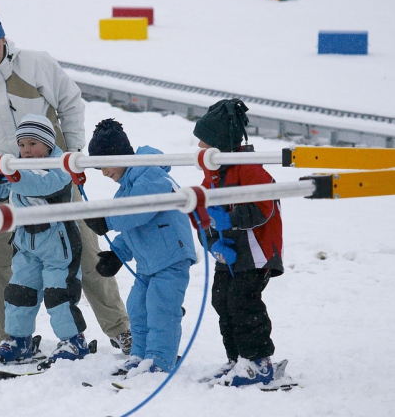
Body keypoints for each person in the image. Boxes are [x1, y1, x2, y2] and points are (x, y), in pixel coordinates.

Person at [0, 1, 131, 358]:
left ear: (3, 37)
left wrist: (73, 157)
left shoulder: (37, 63)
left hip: (55, 181)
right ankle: (11, 337)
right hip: (1, 185)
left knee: (85, 253)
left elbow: (71, 104)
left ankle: (121, 330)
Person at [0, 115, 90, 363]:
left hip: (59, 244)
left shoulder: (60, 167)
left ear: (47, 144)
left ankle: (73, 341)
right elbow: (1, 191)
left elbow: (38, 186)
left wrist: (11, 176)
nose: (26, 150)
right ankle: (19, 340)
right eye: (22, 145)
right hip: (26, 243)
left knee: (59, 294)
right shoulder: (19, 168)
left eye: (32, 144)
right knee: (18, 292)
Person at [84, 119, 197, 376]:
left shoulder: (150, 173)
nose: (103, 172)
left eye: (104, 164)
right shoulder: (127, 187)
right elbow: (133, 227)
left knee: (161, 310)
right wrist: (117, 254)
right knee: (137, 308)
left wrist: (108, 220)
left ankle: (159, 360)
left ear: (120, 155)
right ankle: (140, 355)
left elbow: (140, 210)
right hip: (149, 262)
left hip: (171, 258)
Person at [192, 98, 284, 387]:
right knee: (221, 300)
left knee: (243, 302)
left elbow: (263, 208)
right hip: (230, 254)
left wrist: (229, 218)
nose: (198, 150)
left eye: (204, 143)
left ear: (220, 146)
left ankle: (259, 362)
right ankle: (238, 359)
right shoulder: (212, 177)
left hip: (256, 252)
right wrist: (212, 244)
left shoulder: (248, 168)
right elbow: (204, 219)